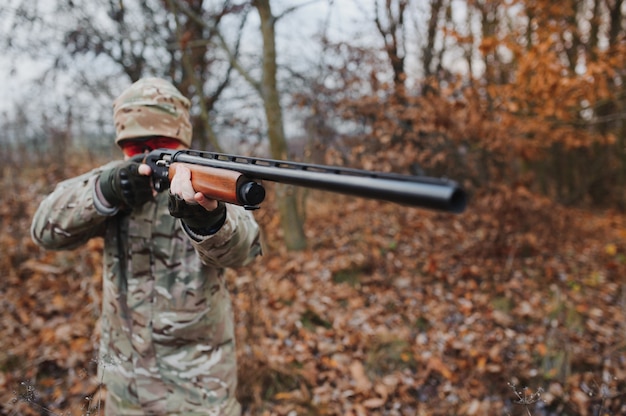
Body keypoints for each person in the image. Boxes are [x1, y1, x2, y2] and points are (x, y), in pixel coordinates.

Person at [31, 77, 262, 415]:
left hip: (199, 390)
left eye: (161, 144)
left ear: (180, 139)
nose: (148, 156)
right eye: (137, 147)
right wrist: (108, 191)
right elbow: (44, 229)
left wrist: (207, 218)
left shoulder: (205, 183)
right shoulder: (113, 179)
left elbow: (246, 248)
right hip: (126, 388)